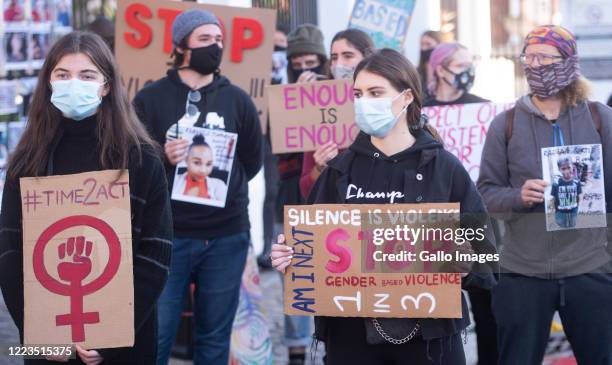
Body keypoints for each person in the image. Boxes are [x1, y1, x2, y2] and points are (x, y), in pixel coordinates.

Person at [272, 48, 498, 365]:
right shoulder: (339, 171)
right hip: (351, 338)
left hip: (429, 339)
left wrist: (464, 264)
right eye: (358, 94)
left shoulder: (444, 169)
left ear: (406, 97)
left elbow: (486, 255)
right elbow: (311, 247)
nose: (364, 102)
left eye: (376, 93)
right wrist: (290, 256)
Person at [0, 31, 172, 365]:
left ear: (106, 85)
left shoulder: (140, 158)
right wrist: (39, 337)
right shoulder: (26, 162)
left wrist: (112, 334)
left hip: (126, 345)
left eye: (87, 75)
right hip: (47, 349)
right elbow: (9, 252)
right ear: (48, 82)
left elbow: (157, 252)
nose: (73, 83)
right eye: (62, 75)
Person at [132, 9, 262, 365]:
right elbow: (131, 163)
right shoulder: (150, 99)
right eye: (205, 39)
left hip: (225, 238)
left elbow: (251, 162)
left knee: (215, 338)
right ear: (181, 46)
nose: (215, 47)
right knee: (155, 335)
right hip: (165, 238)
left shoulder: (238, 100)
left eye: (219, 40)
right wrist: (162, 156)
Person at [478, 25, 612, 365]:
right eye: (529, 57)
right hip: (522, 273)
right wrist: (518, 196)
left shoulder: (599, 118)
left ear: (568, 62)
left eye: (544, 57)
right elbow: (486, 194)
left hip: (590, 268)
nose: (535, 65)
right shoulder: (505, 124)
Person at [422, 42, 498, 365]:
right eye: (460, 65)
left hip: (475, 215)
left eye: (471, 64)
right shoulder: (421, 111)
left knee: (488, 307)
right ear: (440, 68)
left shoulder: (485, 109)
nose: (468, 71)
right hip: (433, 220)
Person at [299, 28, 374, 200]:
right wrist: (319, 168)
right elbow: (305, 189)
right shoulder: (319, 111)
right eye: (334, 57)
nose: (339, 64)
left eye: (348, 56)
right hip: (335, 216)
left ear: (367, 59)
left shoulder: (381, 107)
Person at [424, 42, 486, 106]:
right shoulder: (423, 110)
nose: (468, 70)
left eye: (470, 65)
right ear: (440, 71)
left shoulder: (482, 107)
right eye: (461, 66)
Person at [172, 134, 227, 201]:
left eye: (208, 164)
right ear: (186, 160)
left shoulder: (219, 186)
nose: (203, 170)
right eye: (197, 162)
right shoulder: (174, 181)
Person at [550, 156, 581, 228]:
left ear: (572, 167)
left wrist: (577, 207)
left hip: (573, 210)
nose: (566, 171)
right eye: (563, 169)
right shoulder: (556, 183)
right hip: (560, 211)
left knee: (573, 224)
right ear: (559, 169)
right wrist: (553, 208)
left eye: (568, 168)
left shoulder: (577, 182)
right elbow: (553, 198)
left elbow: (579, 197)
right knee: (561, 225)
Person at [417, 30, 442, 98]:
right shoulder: (416, 72)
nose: (424, 48)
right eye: (422, 44)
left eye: (428, 44)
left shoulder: (445, 71)